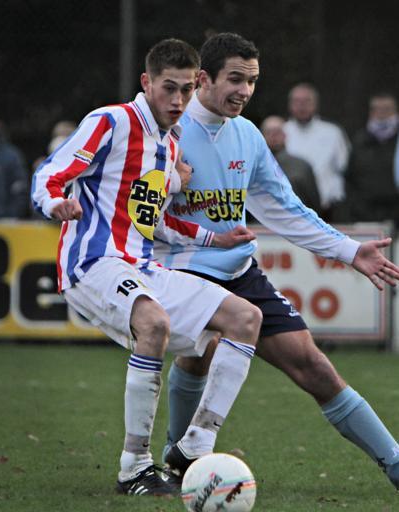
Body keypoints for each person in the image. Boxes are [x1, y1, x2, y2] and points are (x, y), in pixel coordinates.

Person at [154, 33, 399, 491]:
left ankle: (395, 463)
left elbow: (285, 208)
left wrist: (348, 250)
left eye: (252, 81)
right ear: (203, 78)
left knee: (315, 367)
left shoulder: (247, 135)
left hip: (238, 272)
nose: (245, 91)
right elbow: (131, 205)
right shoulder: (164, 129)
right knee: (200, 349)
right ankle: (181, 460)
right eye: (235, 79)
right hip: (179, 270)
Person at [31, 38, 263, 497]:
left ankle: (193, 446)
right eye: (167, 88)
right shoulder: (111, 121)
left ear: (196, 84)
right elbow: (49, 173)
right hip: (93, 261)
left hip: (140, 264)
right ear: (147, 83)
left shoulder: (170, 143)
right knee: (154, 322)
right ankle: (134, 468)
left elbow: (153, 222)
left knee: (245, 318)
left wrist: (214, 238)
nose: (177, 101)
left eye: (184, 90)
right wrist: (55, 202)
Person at [284, 82, 350, 221]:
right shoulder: (283, 132)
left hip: (329, 210)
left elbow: (345, 167)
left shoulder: (333, 132)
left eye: (307, 101)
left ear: (315, 104)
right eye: (297, 101)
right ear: (290, 105)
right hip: (291, 210)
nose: (301, 105)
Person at [346, 93, 399, 226]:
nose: (381, 113)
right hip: (365, 215)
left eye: (386, 109)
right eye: (377, 109)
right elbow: (350, 177)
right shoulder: (359, 139)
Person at [260, 115, 321, 212]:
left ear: (285, 135)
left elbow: (314, 203)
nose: (273, 136)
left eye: (277, 132)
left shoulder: (302, 166)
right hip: (260, 224)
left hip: (297, 221)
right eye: (269, 132)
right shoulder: (252, 166)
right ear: (261, 136)